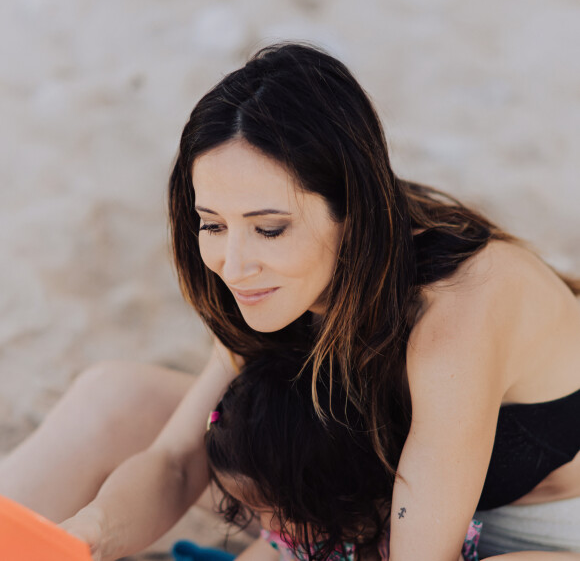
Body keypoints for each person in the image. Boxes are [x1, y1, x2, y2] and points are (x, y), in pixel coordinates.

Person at [0, 42, 579, 560]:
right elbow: (179, 462)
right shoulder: (276, 279)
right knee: (113, 400)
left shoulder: (458, 309)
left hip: (541, 536)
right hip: (371, 503)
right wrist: (87, 534)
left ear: (351, 212)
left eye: (269, 228)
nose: (235, 263)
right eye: (212, 224)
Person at [201, 351, 482, 561]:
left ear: (328, 490)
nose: (265, 525)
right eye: (256, 511)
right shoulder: (297, 536)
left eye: (277, 512)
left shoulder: (409, 537)